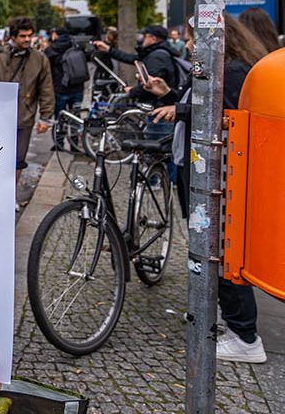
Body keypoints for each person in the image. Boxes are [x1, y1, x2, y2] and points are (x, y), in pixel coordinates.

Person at [146, 19, 268, 364]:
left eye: (190, 39)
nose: (186, 45)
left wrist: (179, 107)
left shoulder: (231, 72)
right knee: (211, 247)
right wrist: (168, 96)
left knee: (220, 249)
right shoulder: (215, 68)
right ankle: (233, 325)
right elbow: (197, 107)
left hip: (221, 173)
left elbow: (222, 115)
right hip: (203, 168)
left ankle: (246, 337)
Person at [0, 16, 54, 189]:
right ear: (13, 36)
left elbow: (46, 89)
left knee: (18, 160)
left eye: (29, 36)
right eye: (23, 36)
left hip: (24, 117)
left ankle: (10, 196)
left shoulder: (40, 59)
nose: (27, 39)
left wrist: (45, 117)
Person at [92, 25, 181, 107]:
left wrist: (132, 91)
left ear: (153, 39)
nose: (142, 39)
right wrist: (108, 49)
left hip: (157, 107)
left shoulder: (157, 57)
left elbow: (151, 85)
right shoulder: (155, 53)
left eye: (145, 36)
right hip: (157, 104)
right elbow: (131, 58)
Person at [45, 29, 88, 147]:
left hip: (60, 89)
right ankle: (74, 142)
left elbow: (46, 70)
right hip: (77, 88)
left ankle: (59, 143)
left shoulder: (51, 49)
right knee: (75, 116)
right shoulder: (76, 45)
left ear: (55, 35)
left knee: (59, 117)